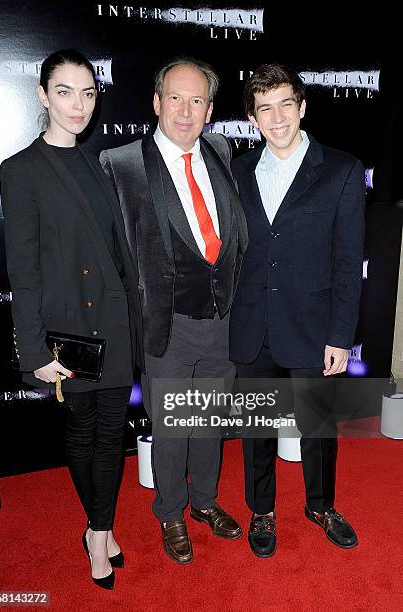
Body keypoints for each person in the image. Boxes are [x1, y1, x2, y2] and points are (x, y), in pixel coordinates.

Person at [0, 49, 143, 589]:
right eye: (65, 91)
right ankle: (98, 533)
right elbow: (24, 270)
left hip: (115, 318)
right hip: (69, 329)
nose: (78, 104)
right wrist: (34, 352)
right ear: (42, 95)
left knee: (113, 433)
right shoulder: (20, 171)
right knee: (86, 430)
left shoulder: (100, 162)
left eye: (88, 92)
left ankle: (98, 529)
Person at [100, 57, 248, 564]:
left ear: (210, 110)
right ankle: (170, 512)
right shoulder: (121, 163)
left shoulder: (222, 150)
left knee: (209, 420)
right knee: (171, 427)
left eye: (198, 101)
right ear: (156, 102)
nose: (186, 112)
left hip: (222, 319)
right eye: (176, 99)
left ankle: (205, 502)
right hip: (166, 323)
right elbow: (112, 254)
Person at [230, 63, 365, 557]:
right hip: (252, 325)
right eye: (265, 107)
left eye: (286, 103)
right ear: (252, 117)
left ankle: (321, 504)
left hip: (313, 327)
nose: (277, 116)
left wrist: (340, 335)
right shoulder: (238, 169)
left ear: (302, 107)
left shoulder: (342, 170)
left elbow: (349, 262)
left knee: (317, 427)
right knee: (256, 428)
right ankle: (261, 511)